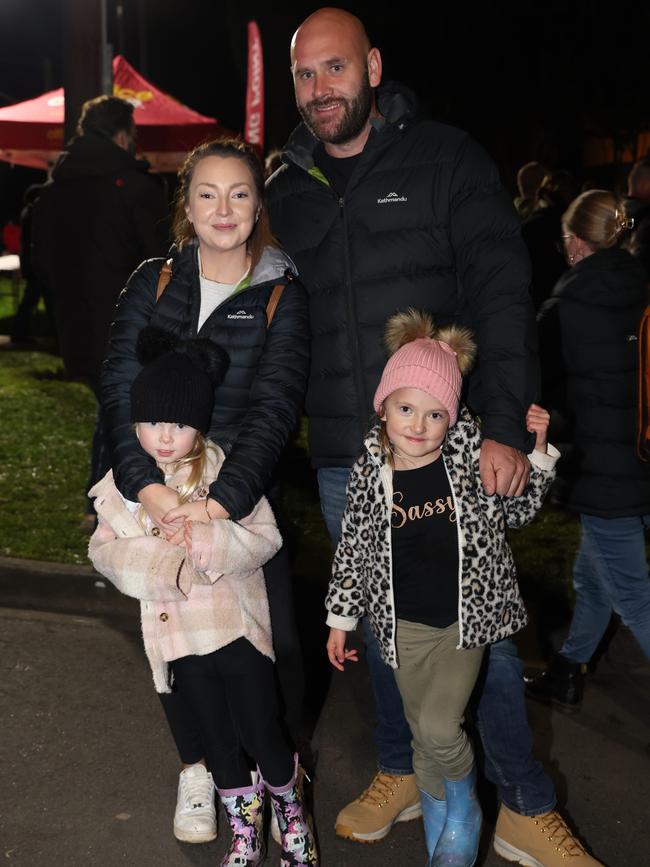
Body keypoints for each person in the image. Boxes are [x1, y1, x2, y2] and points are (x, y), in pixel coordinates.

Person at [266, 8, 603, 865]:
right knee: (384, 625)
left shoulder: (445, 158)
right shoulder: (286, 186)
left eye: (335, 69)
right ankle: (402, 767)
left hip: (447, 450)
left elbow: (500, 290)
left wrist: (505, 428)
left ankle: (523, 803)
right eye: (305, 76)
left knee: (474, 632)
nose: (320, 90)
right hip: (349, 451)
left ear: (373, 66)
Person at [102, 138, 309, 844]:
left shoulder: (281, 290)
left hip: (233, 494)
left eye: (240, 193)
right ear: (186, 205)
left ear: (259, 204)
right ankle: (198, 766)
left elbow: (275, 409)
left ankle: (280, 776)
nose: (224, 208)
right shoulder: (153, 281)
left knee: (261, 650)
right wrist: (149, 492)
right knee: (172, 643)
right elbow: (118, 389)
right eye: (208, 193)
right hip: (147, 489)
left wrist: (214, 502)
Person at [325, 309, 558, 866]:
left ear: (451, 419)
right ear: (383, 405)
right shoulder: (368, 471)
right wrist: (340, 618)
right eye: (406, 408)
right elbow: (353, 549)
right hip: (400, 629)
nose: (418, 424)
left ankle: (466, 808)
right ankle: (441, 827)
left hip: (462, 626)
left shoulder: (468, 462)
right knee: (418, 731)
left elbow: (519, 511)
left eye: (435, 414)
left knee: (438, 725)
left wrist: (539, 452)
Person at [89, 329, 317, 867]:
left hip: (234, 629)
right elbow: (104, 552)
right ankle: (244, 829)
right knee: (217, 739)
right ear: (133, 424)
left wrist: (207, 539)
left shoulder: (223, 473)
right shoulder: (121, 488)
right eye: (153, 423)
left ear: (201, 425)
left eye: (181, 424)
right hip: (177, 640)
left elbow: (266, 538)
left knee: (262, 729)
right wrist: (160, 558)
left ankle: (289, 809)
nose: (165, 437)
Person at [527, 190, 650, 710]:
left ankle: (569, 669)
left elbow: (539, 384)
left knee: (633, 595)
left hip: (603, 472)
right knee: (593, 574)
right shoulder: (643, 284)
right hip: (641, 457)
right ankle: (569, 668)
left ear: (576, 241)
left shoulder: (567, 306)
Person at [31, 95, 169, 529]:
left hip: (76, 327)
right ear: (123, 136)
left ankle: (103, 504)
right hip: (132, 325)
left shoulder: (55, 191)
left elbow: (40, 263)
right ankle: (104, 504)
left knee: (115, 410)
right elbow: (161, 262)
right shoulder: (135, 188)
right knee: (123, 415)